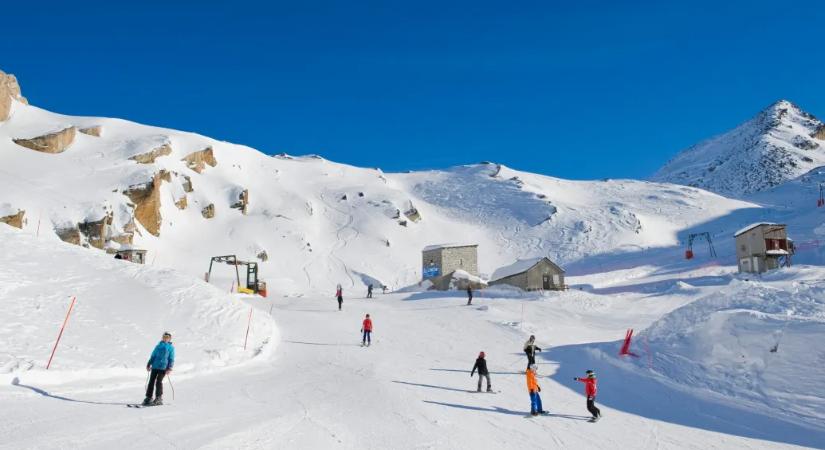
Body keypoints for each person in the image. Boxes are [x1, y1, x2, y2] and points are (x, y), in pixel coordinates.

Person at [143, 331, 175, 406]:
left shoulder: (171, 348)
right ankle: (148, 397)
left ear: (170, 339)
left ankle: (159, 398)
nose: (165, 339)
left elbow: (171, 358)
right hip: (155, 366)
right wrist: (149, 364)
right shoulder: (158, 346)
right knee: (151, 381)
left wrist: (169, 368)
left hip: (163, 368)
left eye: (167, 337)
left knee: (158, 382)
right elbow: (153, 356)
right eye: (164, 337)